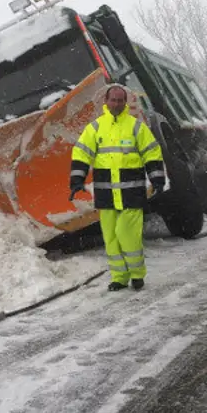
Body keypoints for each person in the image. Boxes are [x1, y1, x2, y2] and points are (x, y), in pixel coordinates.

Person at [70, 84, 166, 291]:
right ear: (106, 101)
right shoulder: (95, 128)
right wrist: (77, 180)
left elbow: (152, 153)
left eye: (120, 100)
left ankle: (137, 274)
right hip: (106, 194)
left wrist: (157, 179)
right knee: (111, 238)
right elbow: (81, 153)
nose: (116, 103)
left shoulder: (136, 127)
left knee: (126, 234)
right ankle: (119, 278)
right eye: (113, 100)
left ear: (125, 102)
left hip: (131, 192)